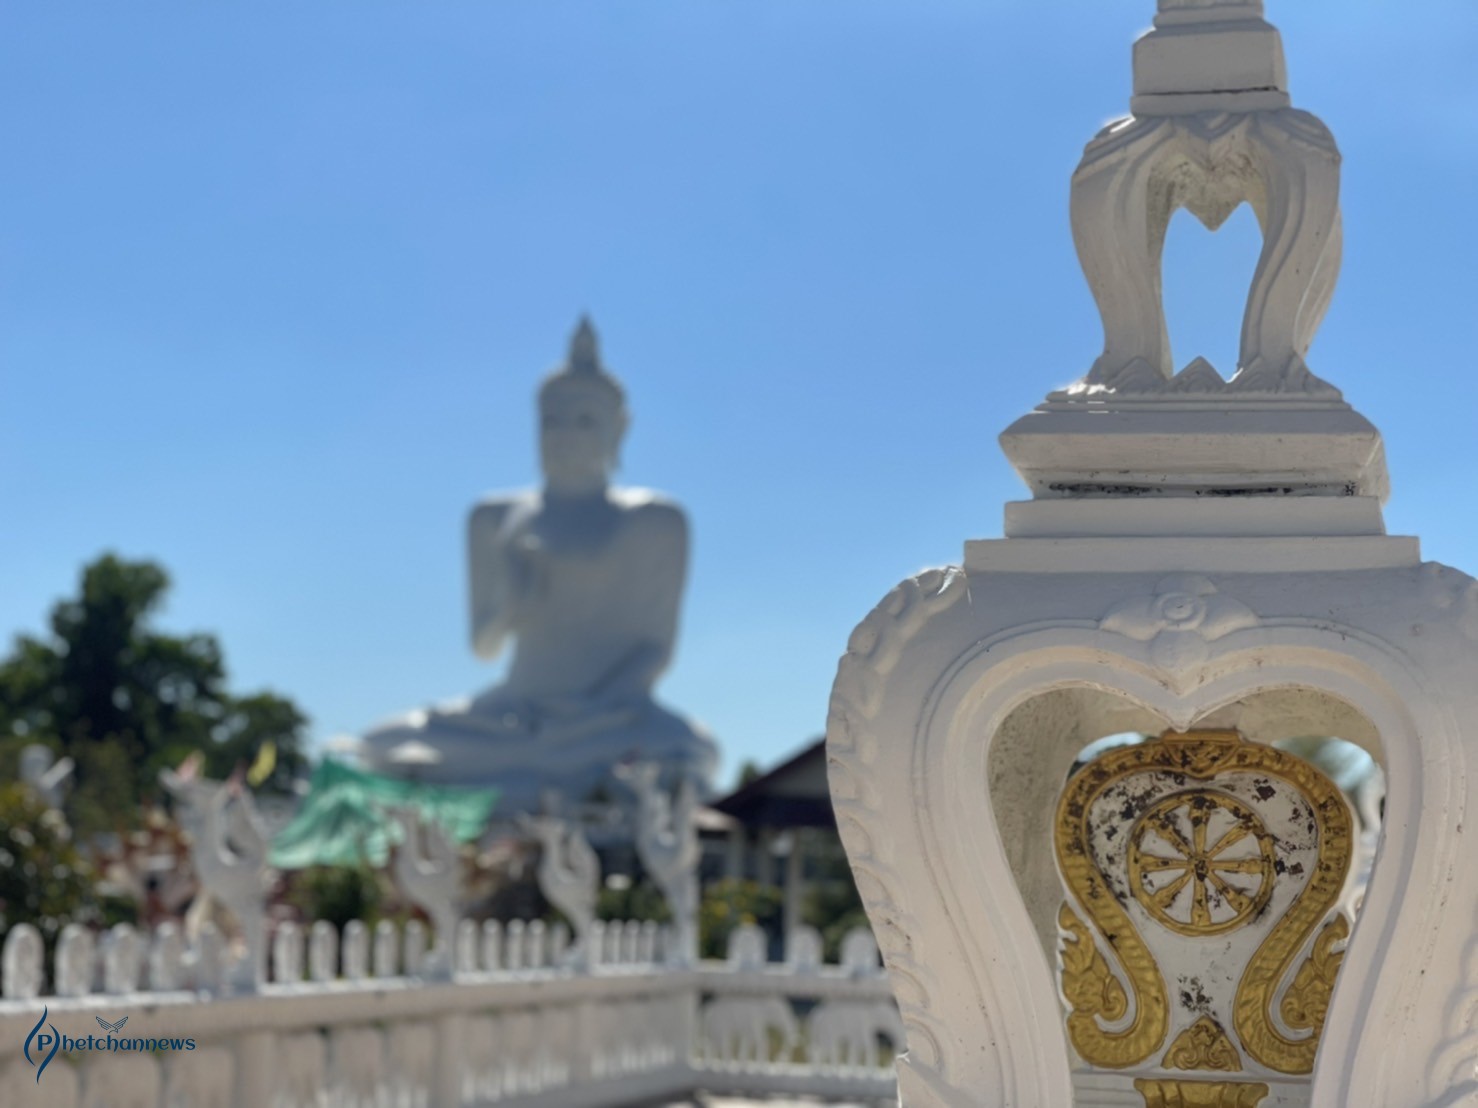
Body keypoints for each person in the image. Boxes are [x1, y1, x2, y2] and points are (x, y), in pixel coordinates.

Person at [357, 318, 717, 812]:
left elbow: (656, 649)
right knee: (382, 740)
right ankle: (542, 770)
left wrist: (585, 717)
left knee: (692, 746)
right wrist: (512, 605)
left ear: (619, 429)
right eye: (552, 422)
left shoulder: (655, 521)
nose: (565, 436)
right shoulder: (494, 518)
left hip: (604, 718)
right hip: (509, 712)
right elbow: (484, 646)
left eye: (585, 421)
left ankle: (534, 770)